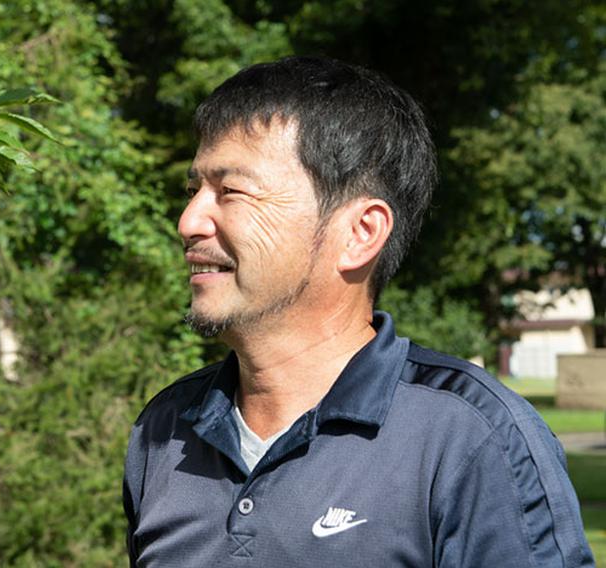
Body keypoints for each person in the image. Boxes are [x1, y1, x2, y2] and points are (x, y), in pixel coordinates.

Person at [122, 56, 594, 567]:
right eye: (194, 191)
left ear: (360, 233)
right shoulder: (164, 431)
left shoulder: (470, 437)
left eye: (230, 191)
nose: (188, 220)